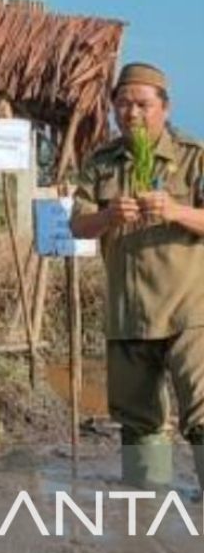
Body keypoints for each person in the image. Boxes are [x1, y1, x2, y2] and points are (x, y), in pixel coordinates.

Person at [70, 62, 204, 489]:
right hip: (128, 314)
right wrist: (109, 215)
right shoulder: (102, 162)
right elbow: (77, 225)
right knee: (137, 420)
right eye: (123, 103)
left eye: (143, 104)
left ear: (164, 108)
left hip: (190, 311)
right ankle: (146, 514)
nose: (132, 113)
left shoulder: (192, 156)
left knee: (202, 411)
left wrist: (175, 210)